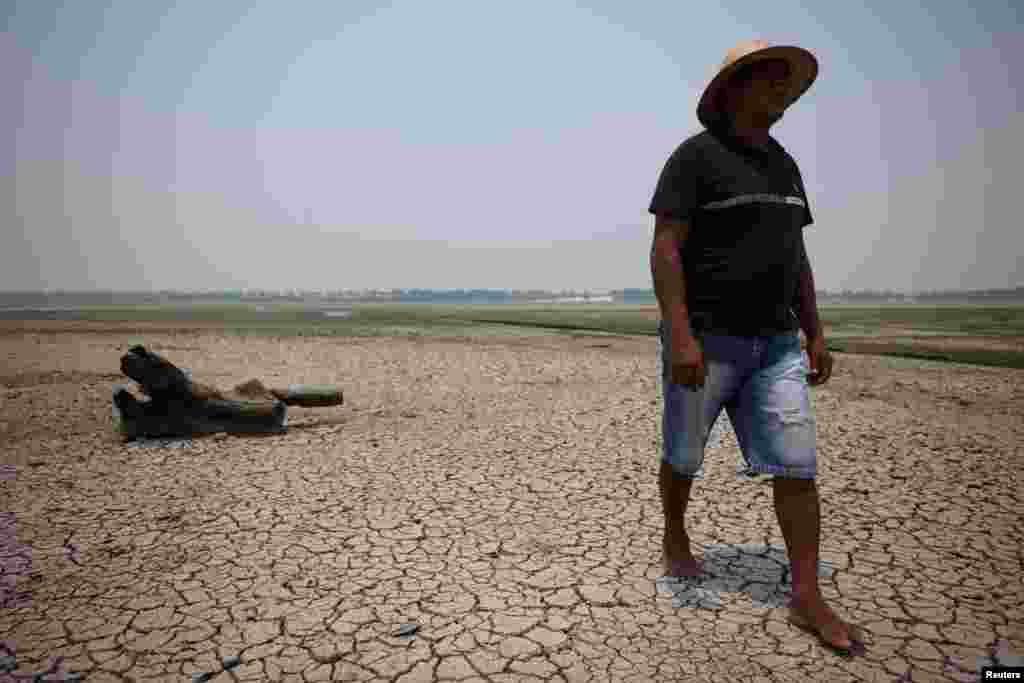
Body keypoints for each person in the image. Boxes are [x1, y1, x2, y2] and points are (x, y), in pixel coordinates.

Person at [648, 40, 865, 654]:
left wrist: (815, 328)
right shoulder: (694, 159)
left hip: (776, 345)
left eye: (787, 88)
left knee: (797, 464)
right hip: (707, 340)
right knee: (684, 453)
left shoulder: (785, 166)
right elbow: (666, 248)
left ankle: (806, 595)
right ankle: (675, 535)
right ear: (734, 88)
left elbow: (795, 255)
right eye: (770, 83)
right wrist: (681, 333)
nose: (783, 96)